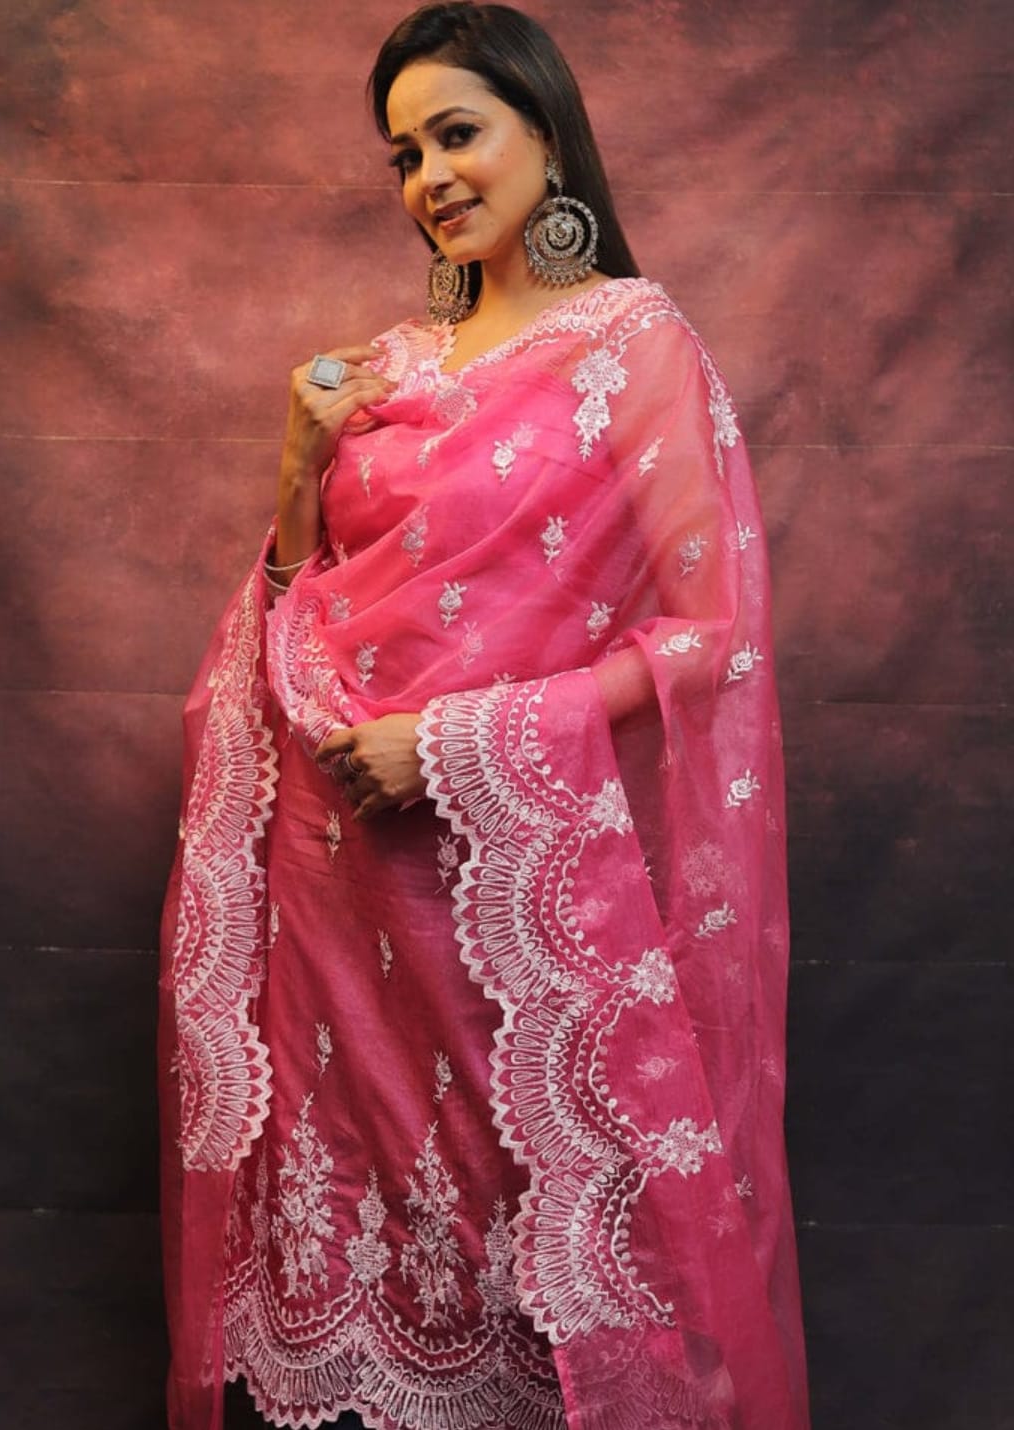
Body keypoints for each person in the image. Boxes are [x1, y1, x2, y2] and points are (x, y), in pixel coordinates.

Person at [158, 4, 810, 1428]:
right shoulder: (384, 371)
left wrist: (452, 747)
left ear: (545, 129)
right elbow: (289, 596)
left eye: (458, 133)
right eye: (404, 154)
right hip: (335, 921)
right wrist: (296, 458)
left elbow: (708, 638)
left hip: (508, 906)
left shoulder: (633, 343)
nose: (430, 178)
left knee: (539, 1322)